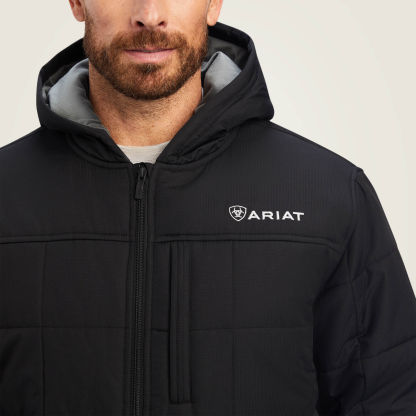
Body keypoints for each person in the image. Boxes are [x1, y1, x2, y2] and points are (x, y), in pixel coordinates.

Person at [0, 0, 415, 415]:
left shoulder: (327, 194)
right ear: (77, 3)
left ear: (214, 3)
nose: (149, 14)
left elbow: (389, 397)